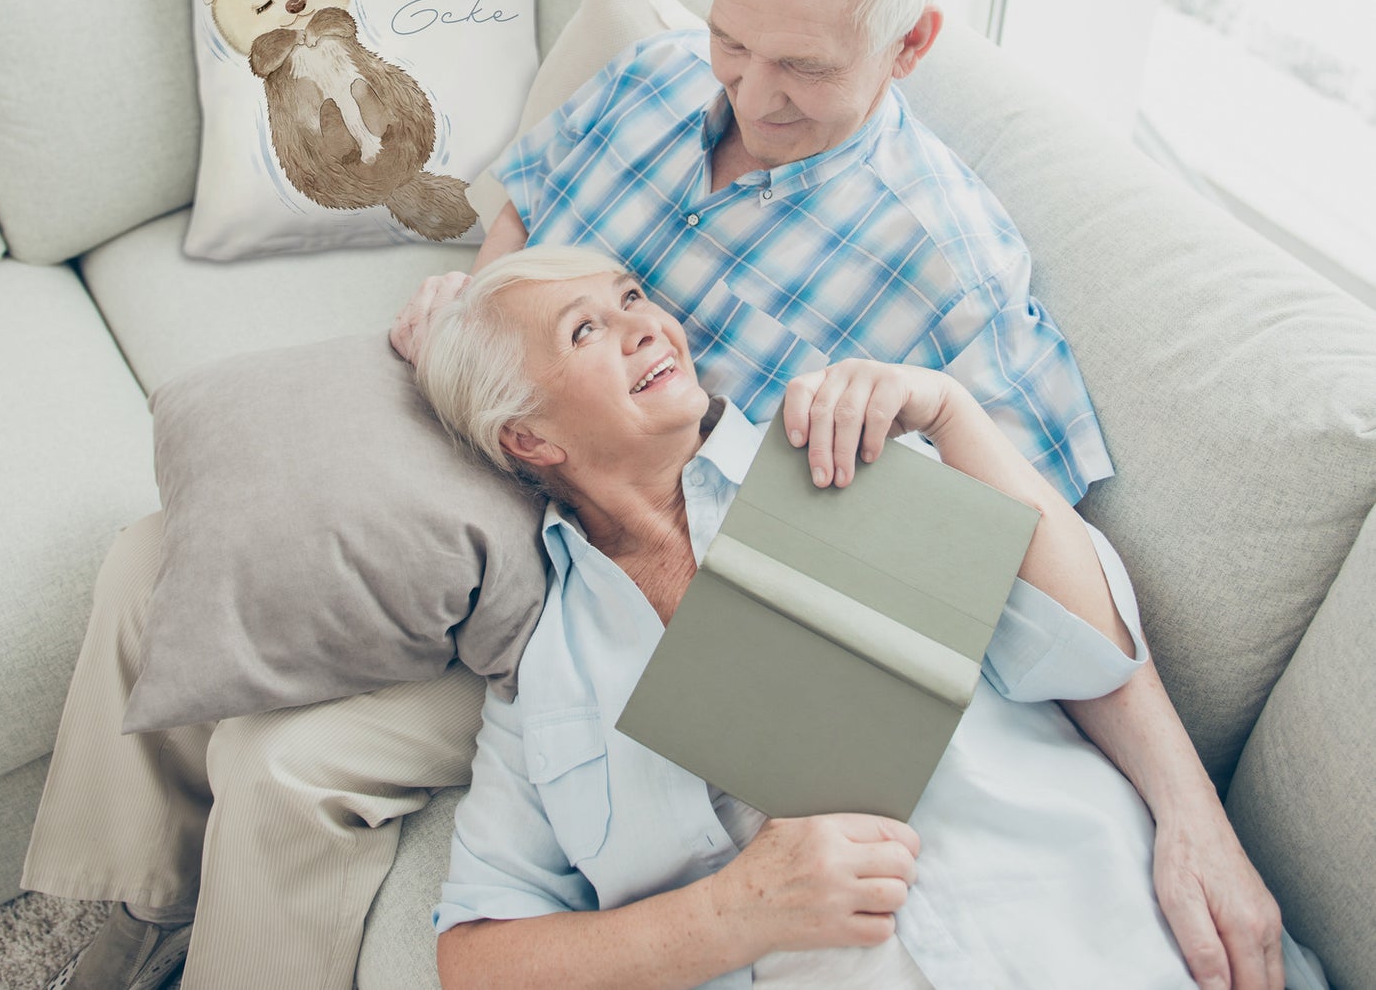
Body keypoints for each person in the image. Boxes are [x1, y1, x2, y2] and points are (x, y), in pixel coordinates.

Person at [25, 0, 1278, 990]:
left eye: (802, 66)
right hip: (509, 431)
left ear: (907, 46)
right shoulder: (655, 77)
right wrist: (475, 310)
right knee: (160, 552)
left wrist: (1191, 812)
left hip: (619, 559)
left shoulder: (947, 269)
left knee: (287, 763)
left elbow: (1035, 566)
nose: (749, 90)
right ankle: (123, 910)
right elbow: (526, 218)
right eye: (734, 40)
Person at [417, 245, 1313, 990]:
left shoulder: (839, 452)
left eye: (631, 297)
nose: (646, 324)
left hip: (1105, 936)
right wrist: (733, 912)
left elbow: (1089, 650)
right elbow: (476, 957)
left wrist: (952, 414)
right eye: (586, 329)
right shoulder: (545, 677)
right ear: (528, 438)